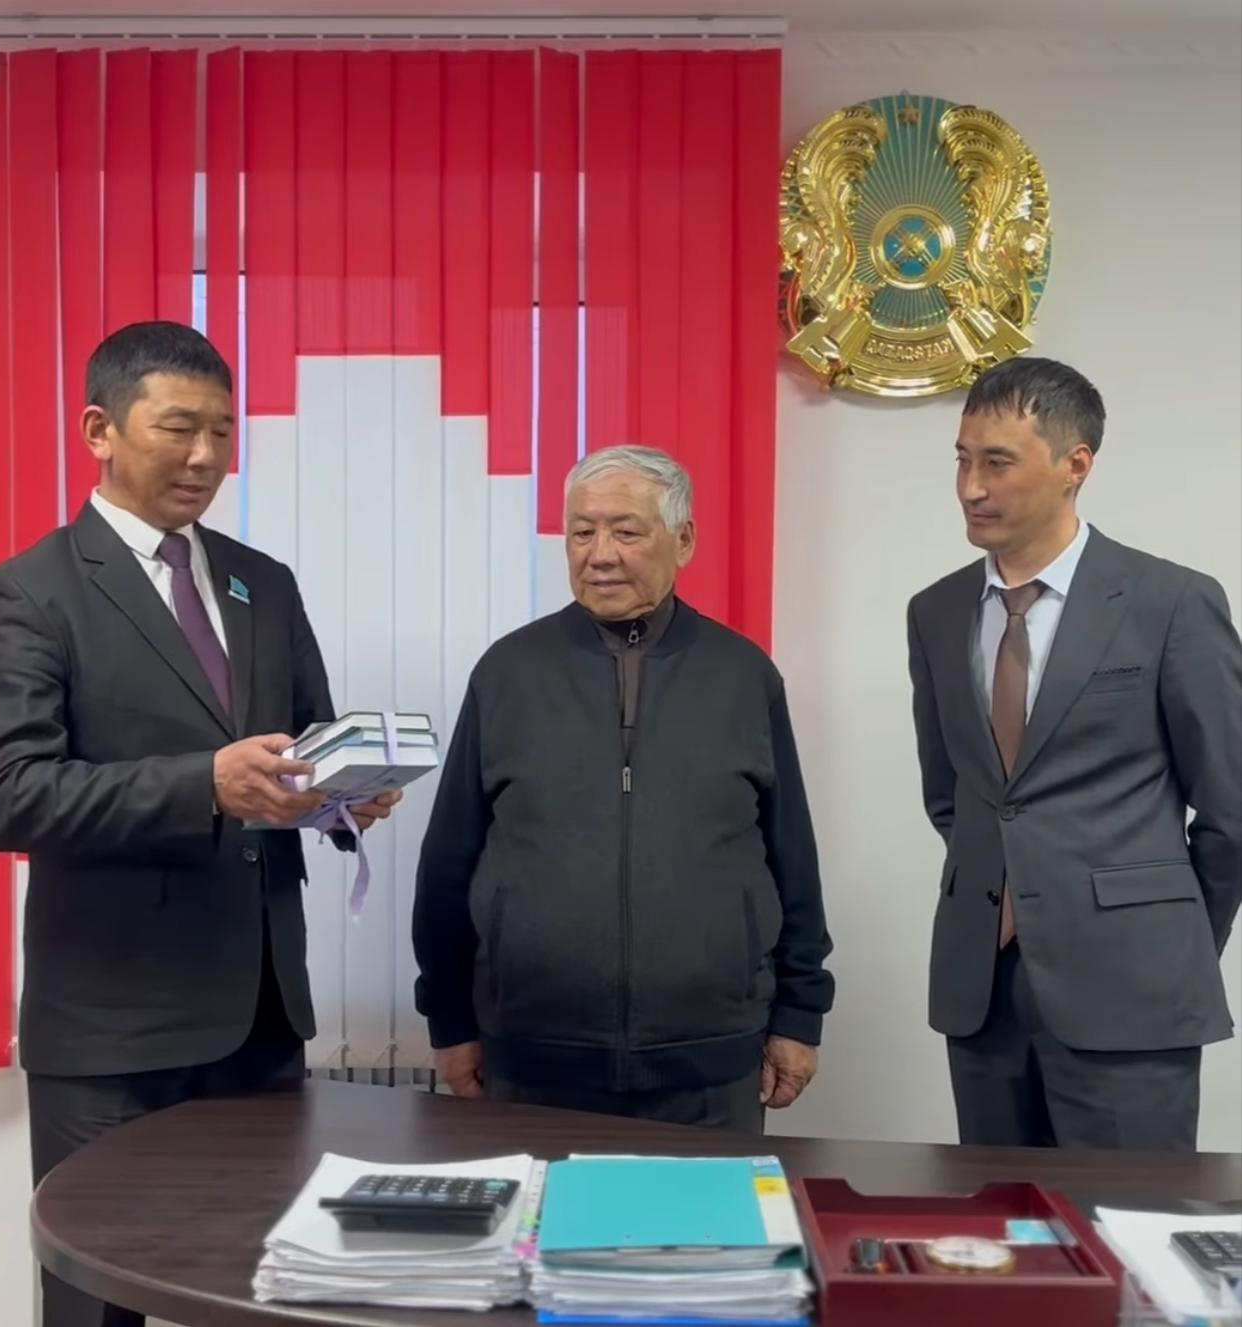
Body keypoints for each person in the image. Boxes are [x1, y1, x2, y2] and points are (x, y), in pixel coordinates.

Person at [0, 321, 401, 1327]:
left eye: (223, 431)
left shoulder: (263, 583)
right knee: (95, 1304)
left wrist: (342, 793)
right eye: (178, 429)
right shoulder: (29, 592)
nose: (206, 456)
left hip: (260, 1018)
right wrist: (205, 783)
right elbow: (9, 794)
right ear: (99, 430)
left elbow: (302, 745)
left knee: (265, 1291)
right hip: (111, 1032)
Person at [412, 445, 833, 1130]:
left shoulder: (742, 675)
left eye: (626, 531)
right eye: (582, 531)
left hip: (712, 1063)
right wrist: (450, 1021)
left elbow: (792, 858)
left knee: (706, 1209)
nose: (600, 554)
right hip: (532, 1060)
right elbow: (448, 862)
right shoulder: (507, 673)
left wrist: (799, 1014)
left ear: (684, 540)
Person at [907, 356, 1241, 1151]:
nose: (971, 487)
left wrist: (1165, 934)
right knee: (1002, 1216)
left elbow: (1232, 810)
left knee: (1129, 1219)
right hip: (981, 989)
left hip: (1133, 988)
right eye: (962, 459)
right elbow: (953, 794)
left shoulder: (1171, 602)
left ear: (1075, 465)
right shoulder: (937, 610)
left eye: (997, 462)